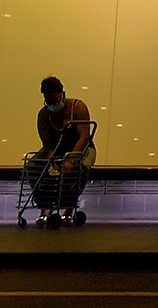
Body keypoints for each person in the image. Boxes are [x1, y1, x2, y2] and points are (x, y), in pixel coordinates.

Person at [34, 76, 94, 225]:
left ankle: (69, 208)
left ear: (62, 94)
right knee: (33, 165)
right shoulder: (43, 114)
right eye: (49, 102)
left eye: (55, 100)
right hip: (56, 149)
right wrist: (51, 159)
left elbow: (84, 137)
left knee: (79, 168)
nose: (52, 105)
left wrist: (70, 160)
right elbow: (47, 143)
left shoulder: (77, 107)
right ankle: (44, 206)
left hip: (81, 149)